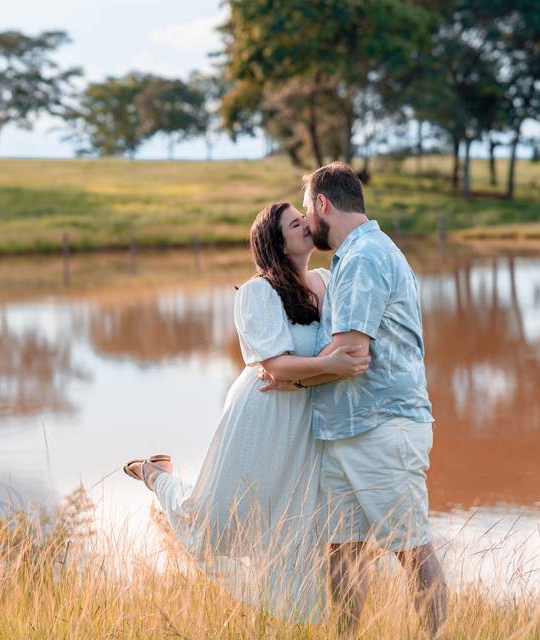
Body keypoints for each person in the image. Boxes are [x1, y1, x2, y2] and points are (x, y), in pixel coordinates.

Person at [124, 201, 369, 622]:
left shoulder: (326, 280)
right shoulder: (259, 292)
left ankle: (299, 620)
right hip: (263, 413)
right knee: (218, 519)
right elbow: (275, 366)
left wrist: (316, 371)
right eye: (296, 223)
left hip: (308, 418)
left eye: (305, 218)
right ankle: (157, 475)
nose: (308, 225)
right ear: (278, 241)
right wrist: (327, 367)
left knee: (296, 522)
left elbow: (337, 347)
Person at [260, 162, 447, 638]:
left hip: (382, 426)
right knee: (342, 550)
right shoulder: (350, 259)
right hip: (345, 429)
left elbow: (351, 352)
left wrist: (293, 379)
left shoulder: (365, 256)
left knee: (410, 548)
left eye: (307, 210)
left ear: (323, 204)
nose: (307, 221)